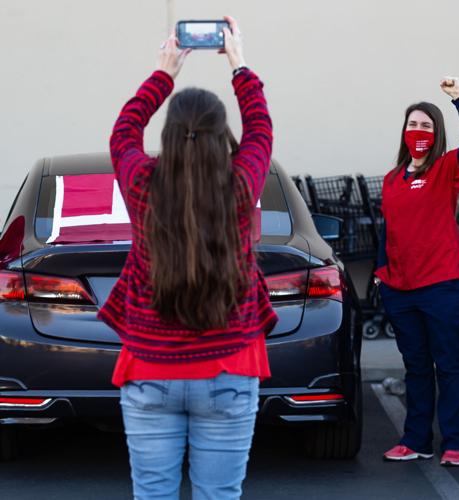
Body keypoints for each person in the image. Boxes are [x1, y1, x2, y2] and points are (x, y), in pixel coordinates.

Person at [97, 15, 276, 500]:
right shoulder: (239, 188)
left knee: (153, 495)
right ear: (222, 138)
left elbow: (122, 134)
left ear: (173, 134)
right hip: (230, 370)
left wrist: (163, 72)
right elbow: (261, 129)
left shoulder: (141, 185)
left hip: (149, 371)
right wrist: (239, 63)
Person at [375, 77, 459, 467]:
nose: (417, 131)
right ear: (404, 132)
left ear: (436, 133)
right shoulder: (391, 180)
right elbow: (387, 230)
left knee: (450, 366)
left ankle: (454, 444)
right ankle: (416, 439)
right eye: (412, 125)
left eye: (425, 125)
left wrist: (458, 99)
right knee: (416, 368)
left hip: (442, 287)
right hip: (401, 290)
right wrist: (379, 273)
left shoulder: (446, 169)